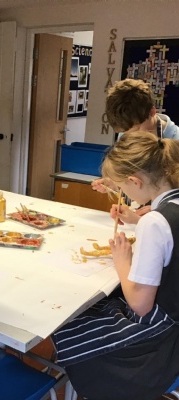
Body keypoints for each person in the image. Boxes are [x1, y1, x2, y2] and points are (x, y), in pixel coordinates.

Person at [53, 132, 179, 400]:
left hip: (162, 339)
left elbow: (140, 305)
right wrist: (136, 220)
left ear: (135, 181)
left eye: (122, 187)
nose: (122, 193)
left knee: (71, 322)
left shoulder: (154, 222)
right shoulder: (168, 209)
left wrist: (124, 261)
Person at [92, 78, 179, 223]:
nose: (132, 137)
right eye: (126, 132)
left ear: (152, 111)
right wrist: (116, 182)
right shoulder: (127, 135)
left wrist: (158, 210)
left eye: (137, 129)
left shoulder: (176, 141)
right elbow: (137, 180)